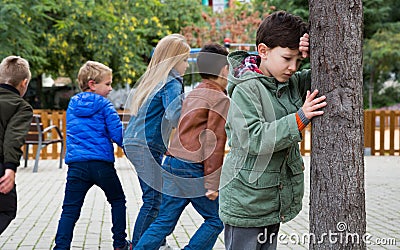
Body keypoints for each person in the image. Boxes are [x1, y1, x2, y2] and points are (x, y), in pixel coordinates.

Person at [218, 11, 327, 249]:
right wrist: (300, 118)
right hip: (246, 204)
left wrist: (315, 50)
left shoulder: (287, 83)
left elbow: (325, 77)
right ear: (263, 51)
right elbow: (254, 138)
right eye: (287, 58)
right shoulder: (246, 89)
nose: (292, 67)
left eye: (298, 61)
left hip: (270, 203)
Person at [134, 43, 229, 250]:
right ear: (223, 70)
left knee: (164, 220)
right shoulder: (219, 99)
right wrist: (212, 183)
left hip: (172, 162)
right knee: (216, 218)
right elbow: (214, 141)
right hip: (192, 168)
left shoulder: (194, 92)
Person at [123, 34, 190, 249]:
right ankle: (140, 245)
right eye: (185, 60)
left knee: (156, 197)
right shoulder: (172, 81)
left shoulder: (154, 80)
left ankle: (157, 241)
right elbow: (174, 115)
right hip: (146, 145)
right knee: (153, 199)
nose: (187, 66)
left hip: (136, 143)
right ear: (173, 60)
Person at [54, 61, 130, 250]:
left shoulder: (72, 104)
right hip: (101, 164)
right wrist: (132, 149)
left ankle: (61, 247)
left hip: (77, 165)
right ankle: (120, 243)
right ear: (92, 84)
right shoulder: (105, 105)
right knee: (118, 200)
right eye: (107, 84)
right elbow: (117, 135)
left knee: (70, 209)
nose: (111, 88)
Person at [0, 56, 33, 235]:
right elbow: (13, 138)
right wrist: (10, 168)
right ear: (24, 83)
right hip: (1, 166)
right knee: (6, 210)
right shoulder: (21, 106)